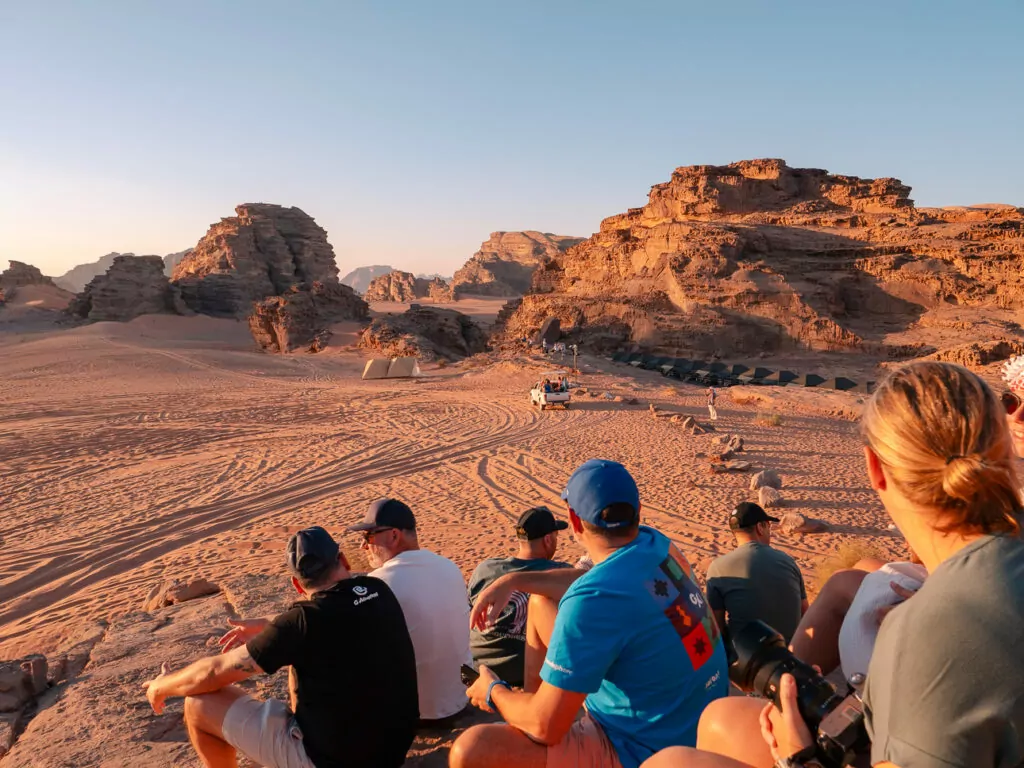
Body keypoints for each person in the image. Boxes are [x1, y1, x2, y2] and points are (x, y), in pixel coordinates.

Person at [642, 361, 1024, 768]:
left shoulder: (926, 636)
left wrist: (798, 757)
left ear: (875, 468)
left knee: (670, 763)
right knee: (722, 719)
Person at [450, 459, 729, 768]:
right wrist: (515, 580)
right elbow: (598, 581)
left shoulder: (593, 600)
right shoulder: (656, 544)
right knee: (541, 604)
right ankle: (536, 704)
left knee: (471, 750)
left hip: (641, 749)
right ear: (636, 512)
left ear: (575, 520)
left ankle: (536, 712)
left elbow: (547, 726)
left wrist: (493, 691)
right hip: (699, 717)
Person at [142, 526, 418, 768]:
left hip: (332, 762)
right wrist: (272, 627)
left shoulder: (302, 623)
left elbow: (213, 672)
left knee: (199, 704)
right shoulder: (377, 590)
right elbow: (335, 620)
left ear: (297, 584)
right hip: (392, 753)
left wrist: (161, 686)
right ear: (344, 561)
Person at [347, 497, 471, 724]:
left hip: (415, 714)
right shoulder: (449, 566)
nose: (363, 546)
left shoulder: (377, 585)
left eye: (369, 536)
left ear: (394, 535)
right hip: (460, 700)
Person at [467, 506, 571, 687]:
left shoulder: (485, 568)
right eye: (555, 536)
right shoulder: (559, 574)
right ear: (547, 540)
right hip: (523, 677)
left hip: (478, 671)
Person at [705, 502, 808, 646]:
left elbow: (716, 628)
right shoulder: (788, 561)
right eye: (768, 526)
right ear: (760, 527)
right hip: (790, 654)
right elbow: (806, 614)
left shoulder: (717, 567)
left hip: (746, 660)